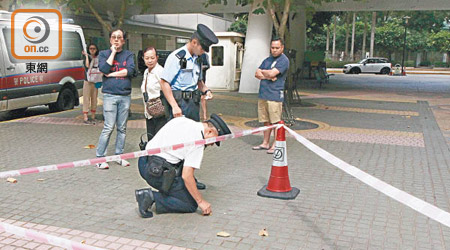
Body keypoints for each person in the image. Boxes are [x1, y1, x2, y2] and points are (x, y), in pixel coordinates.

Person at [135, 113, 231, 218]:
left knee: (185, 186)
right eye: (214, 140)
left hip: (144, 161)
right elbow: (187, 175)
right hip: (156, 173)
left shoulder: (182, 120)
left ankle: (168, 191)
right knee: (190, 204)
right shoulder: (197, 142)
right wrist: (201, 202)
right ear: (209, 131)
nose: (212, 144)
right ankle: (150, 196)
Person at [159, 24, 217, 122]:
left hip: (193, 103)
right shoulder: (177, 57)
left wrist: (206, 90)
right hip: (180, 103)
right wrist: (174, 106)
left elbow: (198, 81)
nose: (203, 52)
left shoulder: (197, 59)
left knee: (193, 135)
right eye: (202, 49)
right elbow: (164, 83)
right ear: (194, 42)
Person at [95, 29, 136, 169]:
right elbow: (104, 68)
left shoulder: (129, 54)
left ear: (124, 40)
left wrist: (111, 75)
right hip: (109, 95)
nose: (117, 40)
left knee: (122, 128)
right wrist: (113, 52)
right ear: (110, 40)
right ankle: (100, 158)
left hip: (125, 96)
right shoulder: (103, 54)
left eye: (119, 37)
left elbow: (130, 71)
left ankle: (119, 155)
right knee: (108, 127)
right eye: (114, 37)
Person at [252, 38, 289, 154]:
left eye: (277, 48)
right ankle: (265, 142)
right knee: (265, 120)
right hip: (264, 94)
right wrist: (268, 76)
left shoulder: (284, 60)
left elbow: (273, 73)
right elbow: (256, 73)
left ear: (282, 48)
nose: (274, 50)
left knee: (275, 121)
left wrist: (267, 73)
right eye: (272, 47)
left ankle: (276, 144)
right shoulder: (267, 60)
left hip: (275, 94)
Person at [140, 47, 165, 140]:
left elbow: (166, 89)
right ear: (143, 58)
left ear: (157, 57)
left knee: (159, 140)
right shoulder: (146, 72)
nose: (149, 61)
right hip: (149, 112)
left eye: (152, 58)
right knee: (151, 139)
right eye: (147, 58)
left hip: (160, 112)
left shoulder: (160, 71)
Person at [81, 43, 102, 124]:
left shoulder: (98, 58)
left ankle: (93, 116)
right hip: (88, 81)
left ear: (96, 50)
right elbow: (87, 66)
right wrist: (86, 56)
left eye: (94, 48)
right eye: (90, 48)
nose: (92, 50)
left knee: (94, 99)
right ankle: (85, 117)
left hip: (95, 80)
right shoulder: (88, 58)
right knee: (86, 98)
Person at [199, 53, 210, 120]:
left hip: (201, 79)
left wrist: (201, 67)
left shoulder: (204, 55)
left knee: (203, 97)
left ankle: (204, 115)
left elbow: (207, 65)